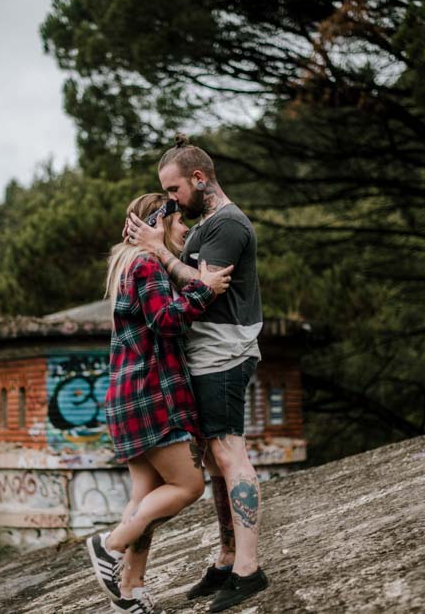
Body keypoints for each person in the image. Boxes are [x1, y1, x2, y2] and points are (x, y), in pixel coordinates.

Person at [125, 134, 268, 613]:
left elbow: (209, 285)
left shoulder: (228, 225)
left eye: (173, 190)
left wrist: (159, 252)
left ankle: (248, 570)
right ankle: (228, 557)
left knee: (230, 454)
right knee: (213, 462)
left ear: (199, 179)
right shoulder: (206, 224)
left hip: (223, 356)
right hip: (205, 357)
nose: (170, 200)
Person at [87, 192, 234, 614]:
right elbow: (165, 320)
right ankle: (109, 545)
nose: (186, 229)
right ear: (159, 222)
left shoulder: (127, 265)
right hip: (152, 394)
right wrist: (204, 290)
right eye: (178, 222)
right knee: (188, 486)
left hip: (128, 396)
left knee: (145, 498)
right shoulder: (147, 264)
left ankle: (129, 589)